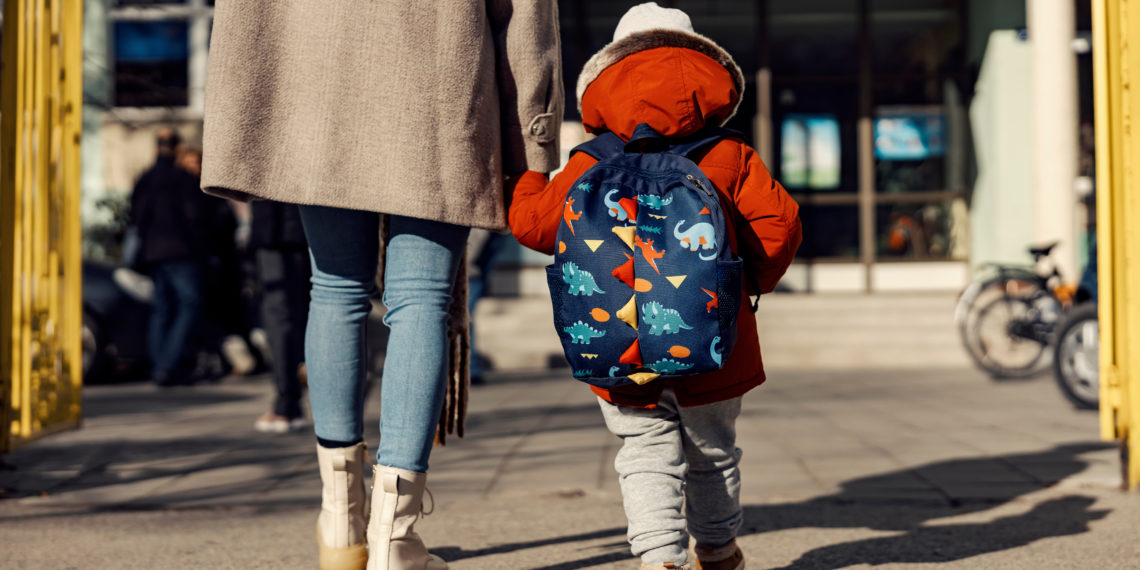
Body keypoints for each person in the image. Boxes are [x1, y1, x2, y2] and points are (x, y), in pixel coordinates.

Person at [200, 3, 562, 569]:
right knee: (421, 299)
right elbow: (526, 15)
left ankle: (340, 524)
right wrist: (534, 139)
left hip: (318, 85)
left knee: (335, 288)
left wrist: (249, 99)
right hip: (438, 84)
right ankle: (394, 538)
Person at [509, 4, 802, 570]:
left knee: (643, 451)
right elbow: (779, 227)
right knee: (713, 450)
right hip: (716, 331)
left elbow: (533, 225)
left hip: (614, 335)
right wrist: (747, 286)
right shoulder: (730, 155)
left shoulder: (588, 162)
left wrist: (527, 173)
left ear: (604, 82)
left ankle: (660, 558)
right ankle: (716, 551)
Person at [130, 128, 211, 386]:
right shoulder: (182, 179)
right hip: (181, 252)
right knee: (190, 305)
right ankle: (168, 364)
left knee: (162, 309)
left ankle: (160, 366)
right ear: (176, 149)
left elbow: (136, 218)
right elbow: (194, 217)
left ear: (156, 148)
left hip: (154, 253)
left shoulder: (145, 179)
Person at [249, 200, 311, 433]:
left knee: (279, 313)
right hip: (316, 221)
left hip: (276, 229)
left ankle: (287, 404)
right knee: (321, 304)